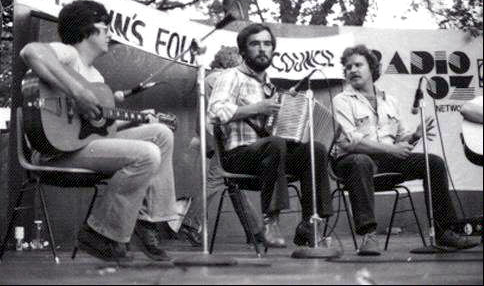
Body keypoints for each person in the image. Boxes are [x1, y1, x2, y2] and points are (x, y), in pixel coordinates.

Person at [20, 0, 189, 262]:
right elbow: (31, 52)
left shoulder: (97, 78)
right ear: (87, 30)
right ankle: (101, 235)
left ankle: (146, 221)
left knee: (160, 134)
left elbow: (100, 132)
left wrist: (137, 120)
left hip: (80, 146)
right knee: (147, 154)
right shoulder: (68, 54)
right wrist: (77, 92)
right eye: (105, 27)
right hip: (55, 152)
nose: (110, 34)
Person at [332, 44, 479, 256]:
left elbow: (401, 141)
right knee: (359, 161)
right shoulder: (341, 100)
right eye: (348, 67)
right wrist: (392, 150)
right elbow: (350, 142)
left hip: (385, 162)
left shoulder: (389, 100)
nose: (352, 70)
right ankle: (368, 235)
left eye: (358, 65)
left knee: (433, 162)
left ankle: (444, 232)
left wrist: (415, 136)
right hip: (353, 163)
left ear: (372, 68)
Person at [207, 24, 333, 248]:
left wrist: (292, 124)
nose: (262, 49)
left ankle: (312, 221)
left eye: (267, 44)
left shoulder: (269, 86)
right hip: (239, 156)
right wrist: (258, 108)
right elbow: (215, 112)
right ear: (244, 51)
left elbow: (273, 129)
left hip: (270, 155)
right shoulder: (230, 76)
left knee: (315, 150)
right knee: (274, 145)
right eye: (255, 44)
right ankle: (271, 221)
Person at [179, 46, 264, 246]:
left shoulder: (208, 80)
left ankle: (255, 231)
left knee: (233, 183)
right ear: (229, 64)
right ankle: (191, 223)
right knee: (216, 181)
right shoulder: (221, 79)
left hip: (215, 139)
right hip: (225, 141)